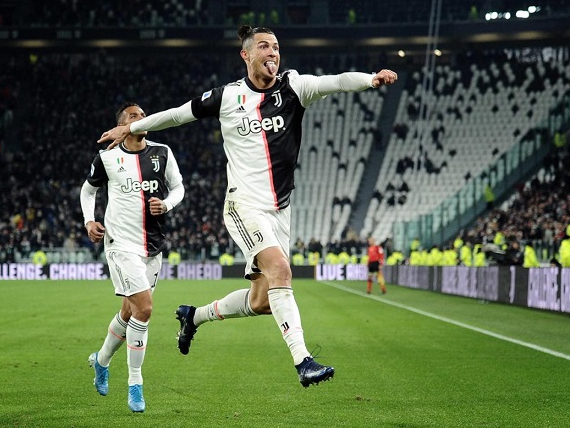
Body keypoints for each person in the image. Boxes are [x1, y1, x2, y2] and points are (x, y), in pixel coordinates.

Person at [99, 25, 398, 388]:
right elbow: (178, 114)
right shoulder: (227, 97)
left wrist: (370, 79)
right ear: (246, 55)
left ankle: (194, 317)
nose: (272, 53)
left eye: (276, 47)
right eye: (263, 47)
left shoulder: (294, 86)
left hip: (280, 209)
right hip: (243, 203)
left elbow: (334, 81)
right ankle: (303, 360)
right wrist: (130, 129)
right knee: (282, 273)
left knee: (262, 301)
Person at [81, 102, 185, 412]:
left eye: (142, 115)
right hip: (120, 244)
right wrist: (89, 220)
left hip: (153, 246)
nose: (140, 119)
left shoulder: (162, 152)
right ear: (121, 125)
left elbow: (179, 188)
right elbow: (88, 191)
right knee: (145, 308)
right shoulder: (108, 158)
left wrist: (166, 204)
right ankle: (135, 384)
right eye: (132, 116)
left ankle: (101, 361)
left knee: (129, 311)